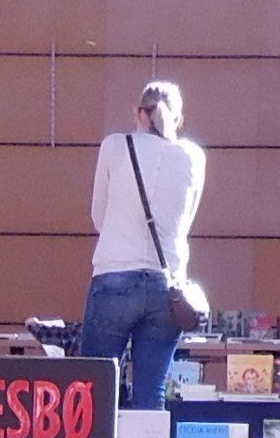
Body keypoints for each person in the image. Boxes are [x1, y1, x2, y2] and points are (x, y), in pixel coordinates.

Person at [83, 79, 205, 407]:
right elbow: (186, 222)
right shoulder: (194, 157)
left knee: (94, 389)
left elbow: (99, 215)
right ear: (178, 119)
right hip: (167, 284)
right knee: (151, 393)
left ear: (138, 113)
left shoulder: (114, 145)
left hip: (115, 275)